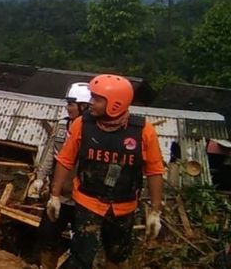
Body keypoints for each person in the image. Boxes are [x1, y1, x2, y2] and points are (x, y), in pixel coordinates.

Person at [47, 74, 165, 269]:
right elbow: (65, 160)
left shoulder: (143, 131)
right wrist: (55, 195)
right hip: (88, 202)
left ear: (115, 104)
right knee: (81, 257)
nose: (90, 103)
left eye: (97, 99)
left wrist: (155, 211)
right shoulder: (82, 125)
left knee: (117, 256)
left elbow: (154, 171)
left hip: (124, 206)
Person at [29, 83, 91, 269]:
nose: (68, 107)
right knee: (47, 233)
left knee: (82, 244)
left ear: (84, 106)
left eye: (72, 103)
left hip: (84, 199)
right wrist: (40, 177)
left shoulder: (96, 132)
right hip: (60, 196)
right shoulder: (62, 125)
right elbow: (50, 153)